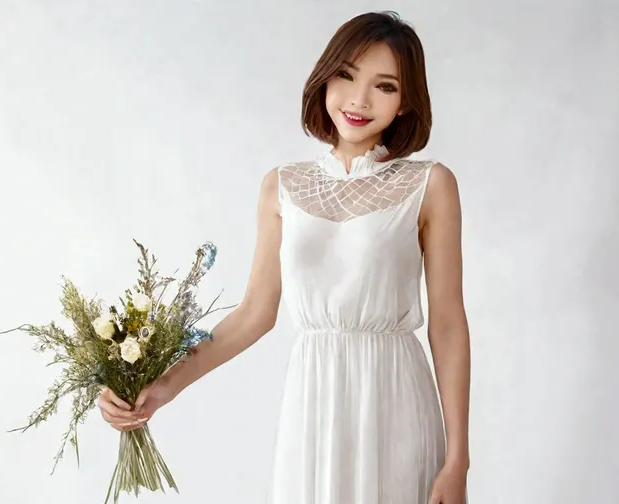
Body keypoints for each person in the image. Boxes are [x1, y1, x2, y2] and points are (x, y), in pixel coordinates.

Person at [98, 10, 471, 504]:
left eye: (384, 87)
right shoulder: (282, 186)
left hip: (395, 398)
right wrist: (162, 386)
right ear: (324, 79)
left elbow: (447, 322)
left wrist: (458, 460)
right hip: (313, 402)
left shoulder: (430, 185)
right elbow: (255, 313)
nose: (359, 100)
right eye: (346, 76)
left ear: (405, 104)